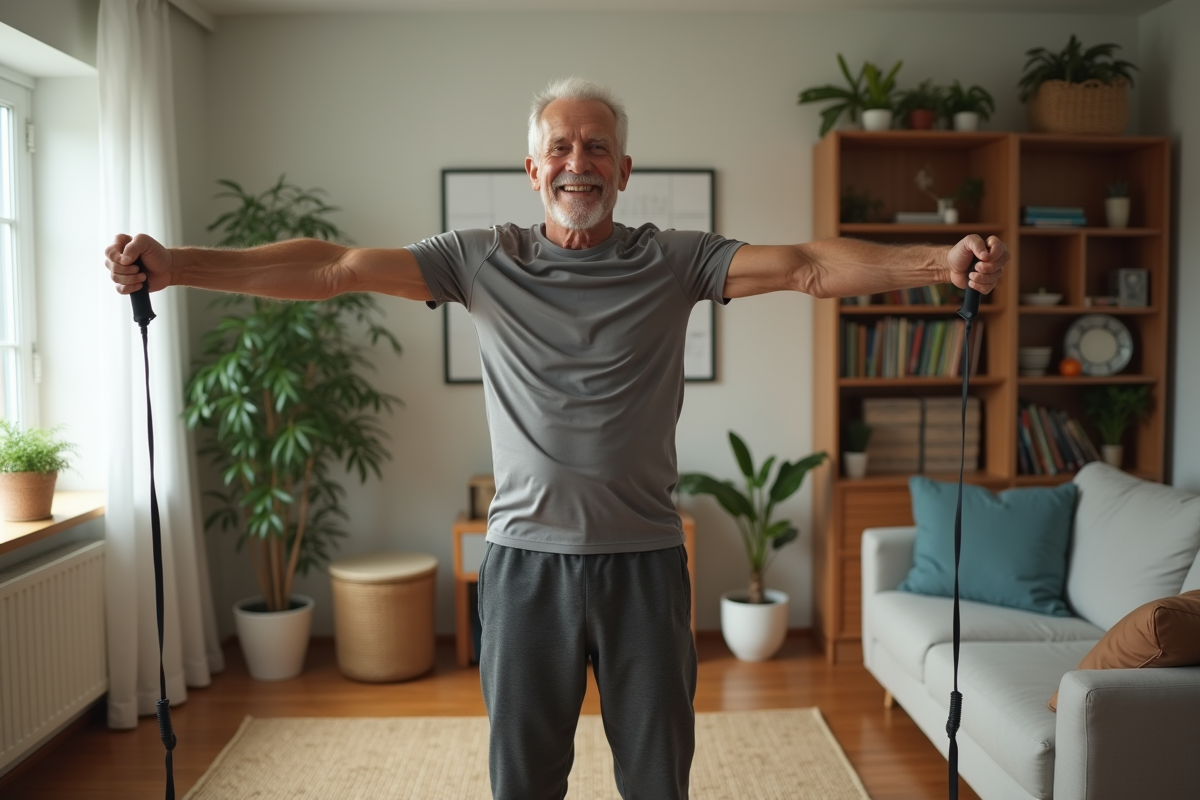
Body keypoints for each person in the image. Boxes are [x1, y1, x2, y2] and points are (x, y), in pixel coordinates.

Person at [106, 77, 1007, 800]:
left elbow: (808, 266)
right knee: (525, 781)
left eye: (597, 147)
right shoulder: (477, 258)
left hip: (646, 561)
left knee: (658, 780)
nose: (579, 161)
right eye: (561, 147)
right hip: (526, 565)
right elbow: (334, 265)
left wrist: (938, 264)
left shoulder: (677, 259)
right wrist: (179, 267)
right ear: (533, 170)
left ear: (623, 169)